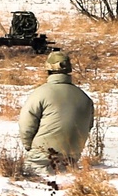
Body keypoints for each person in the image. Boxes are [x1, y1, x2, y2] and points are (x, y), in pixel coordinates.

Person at [18, 49, 94, 177]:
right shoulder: (85, 97)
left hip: (42, 157)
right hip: (72, 158)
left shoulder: (40, 93)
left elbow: (26, 124)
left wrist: (30, 147)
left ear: (48, 69)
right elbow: (89, 126)